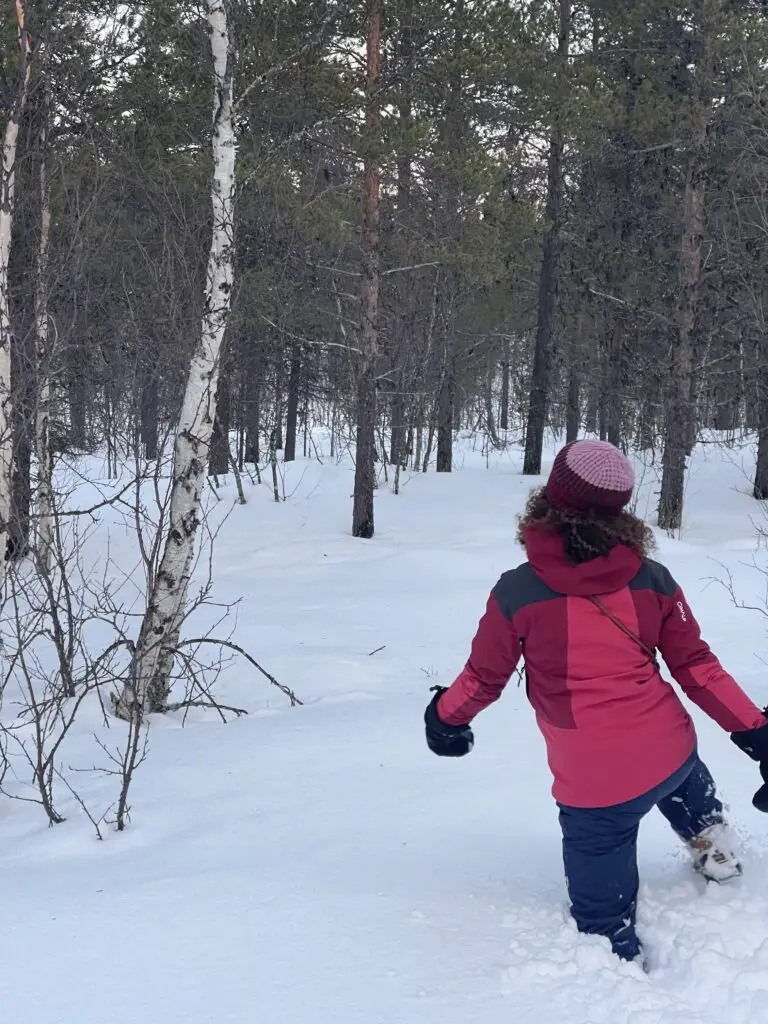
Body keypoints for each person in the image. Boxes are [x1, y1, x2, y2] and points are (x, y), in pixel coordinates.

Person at [423, 439, 768, 966]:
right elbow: (698, 668)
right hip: (671, 750)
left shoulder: (518, 592)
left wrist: (444, 719)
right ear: (620, 512)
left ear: (549, 499)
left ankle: (614, 962)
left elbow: (482, 679)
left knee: (602, 923)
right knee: (689, 793)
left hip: (595, 785)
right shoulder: (652, 579)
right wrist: (757, 733)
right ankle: (717, 857)